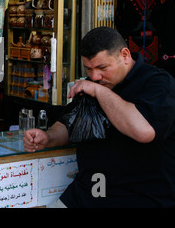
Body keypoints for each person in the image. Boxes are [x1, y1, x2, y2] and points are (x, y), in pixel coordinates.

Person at [23, 26, 175, 207]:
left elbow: (143, 131)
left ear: (125, 55)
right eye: (88, 69)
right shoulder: (93, 84)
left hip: (139, 197)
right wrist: (48, 137)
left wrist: (98, 91)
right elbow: (69, 121)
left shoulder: (158, 83)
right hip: (87, 193)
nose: (95, 76)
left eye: (102, 67)